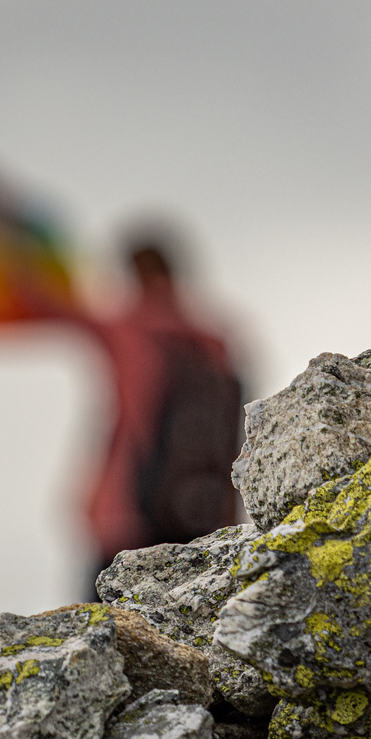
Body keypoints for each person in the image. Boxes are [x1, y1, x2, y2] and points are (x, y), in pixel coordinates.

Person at [85, 237, 243, 577]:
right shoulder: (212, 339)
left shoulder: (126, 327)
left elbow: (48, 304)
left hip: (128, 509)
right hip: (201, 514)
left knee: (97, 622)